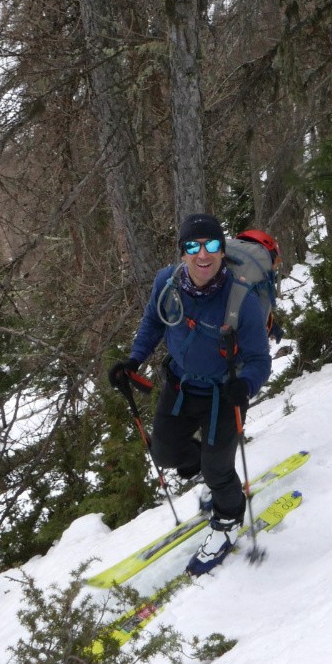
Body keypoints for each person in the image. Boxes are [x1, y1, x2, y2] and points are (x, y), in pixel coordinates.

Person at [109, 214, 272, 574]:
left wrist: (244, 386)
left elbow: (260, 359)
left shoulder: (240, 300)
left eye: (212, 245)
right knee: (165, 452)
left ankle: (228, 518)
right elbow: (153, 321)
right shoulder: (166, 283)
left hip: (222, 397)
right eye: (192, 246)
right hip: (181, 387)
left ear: (222, 249)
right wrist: (133, 360)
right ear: (182, 253)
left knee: (218, 469)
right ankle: (215, 475)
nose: (203, 255)